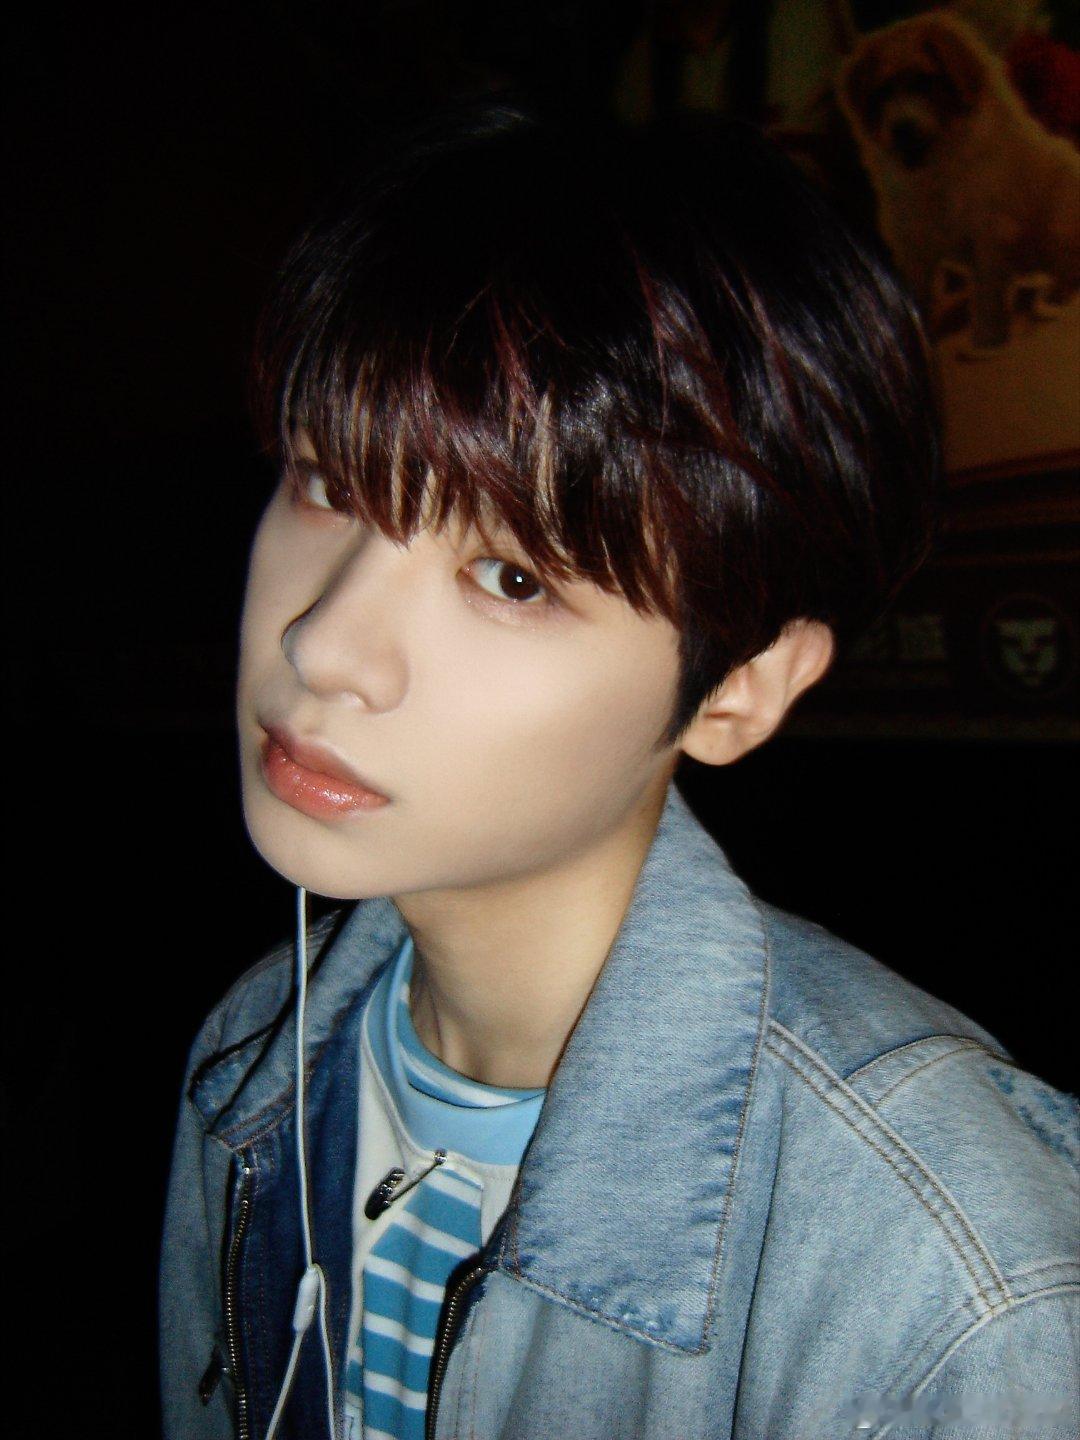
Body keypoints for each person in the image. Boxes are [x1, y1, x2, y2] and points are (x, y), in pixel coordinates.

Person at [159, 101, 1078, 1440]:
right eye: (327, 484)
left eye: (511, 577)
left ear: (741, 685)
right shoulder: (255, 1064)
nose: (325, 645)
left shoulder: (949, 1292)